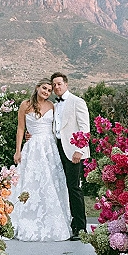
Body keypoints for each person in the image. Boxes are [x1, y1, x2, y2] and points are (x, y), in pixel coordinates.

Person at [10, 79, 72, 242]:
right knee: (30, 182)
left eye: (49, 90)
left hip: (49, 149)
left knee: (50, 182)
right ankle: (27, 218)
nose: (46, 92)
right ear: (37, 87)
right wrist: (18, 150)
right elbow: (20, 128)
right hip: (32, 147)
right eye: (44, 88)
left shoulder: (52, 106)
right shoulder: (25, 105)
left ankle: (53, 220)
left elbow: (56, 128)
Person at [51, 72, 90, 239]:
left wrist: (79, 150)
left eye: (59, 84)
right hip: (56, 148)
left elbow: (84, 128)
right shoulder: (54, 105)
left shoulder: (77, 102)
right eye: (54, 85)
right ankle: (68, 224)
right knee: (61, 187)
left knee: (74, 187)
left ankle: (80, 228)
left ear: (66, 84)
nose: (56, 87)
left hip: (73, 150)